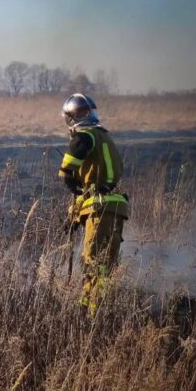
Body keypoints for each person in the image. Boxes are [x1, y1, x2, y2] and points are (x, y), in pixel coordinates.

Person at [58, 93, 129, 313]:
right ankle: (101, 311)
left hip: (100, 210)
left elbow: (68, 173)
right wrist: (74, 216)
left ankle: (89, 314)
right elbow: (91, 186)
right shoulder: (103, 137)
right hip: (116, 207)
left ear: (70, 117)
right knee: (107, 264)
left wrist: (68, 180)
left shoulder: (84, 137)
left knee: (93, 262)